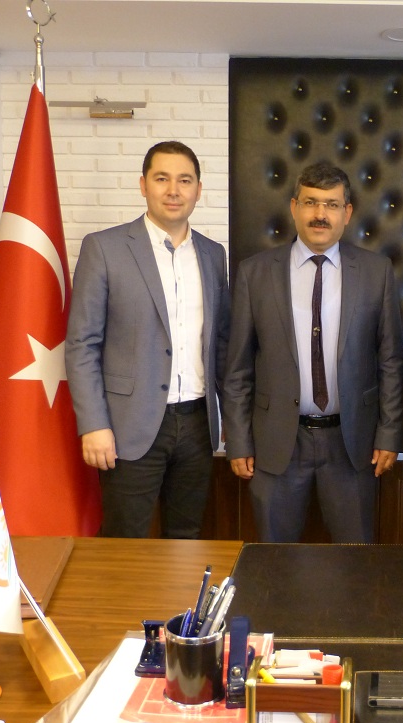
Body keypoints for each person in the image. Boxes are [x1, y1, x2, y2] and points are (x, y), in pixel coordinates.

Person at [223, 162, 403, 543]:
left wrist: (389, 434)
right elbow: (238, 368)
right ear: (294, 207)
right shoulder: (255, 273)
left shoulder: (376, 272)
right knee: (274, 559)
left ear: (347, 212)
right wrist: (237, 439)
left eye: (332, 204)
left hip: (352, 445)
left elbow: (390, 361)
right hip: (276, 445)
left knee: (355, 559)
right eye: (310, 202)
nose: (320, 214)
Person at [66, 141, 230, 538]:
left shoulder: (213, 254)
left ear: (198, 190)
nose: (173, 190)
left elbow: (221, 342)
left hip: (197, 424)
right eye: (161, 179)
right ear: (143, 185)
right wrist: (94, 424)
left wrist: (231, 420)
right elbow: (82, 344)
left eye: (184, 180)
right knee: (125, 543)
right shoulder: (104, 248)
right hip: (127, 426)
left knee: (186, 539)